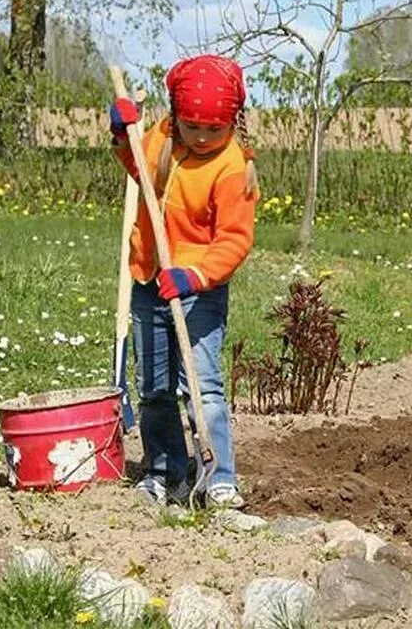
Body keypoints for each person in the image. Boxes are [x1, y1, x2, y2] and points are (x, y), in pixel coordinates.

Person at [109, 54, 261, 507]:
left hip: (199, 292)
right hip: (150, 280)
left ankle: (219, 479)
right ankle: (165, 472)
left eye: (214, 129)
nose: (201, 137)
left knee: (203, 387)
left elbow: (234, 241)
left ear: (232, 122)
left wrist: (194, 275)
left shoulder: (232, 167)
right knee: (155, 387)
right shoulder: (166, 136)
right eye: (192, 126)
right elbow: (139, 166)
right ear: (177, 116)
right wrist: (123, 135)